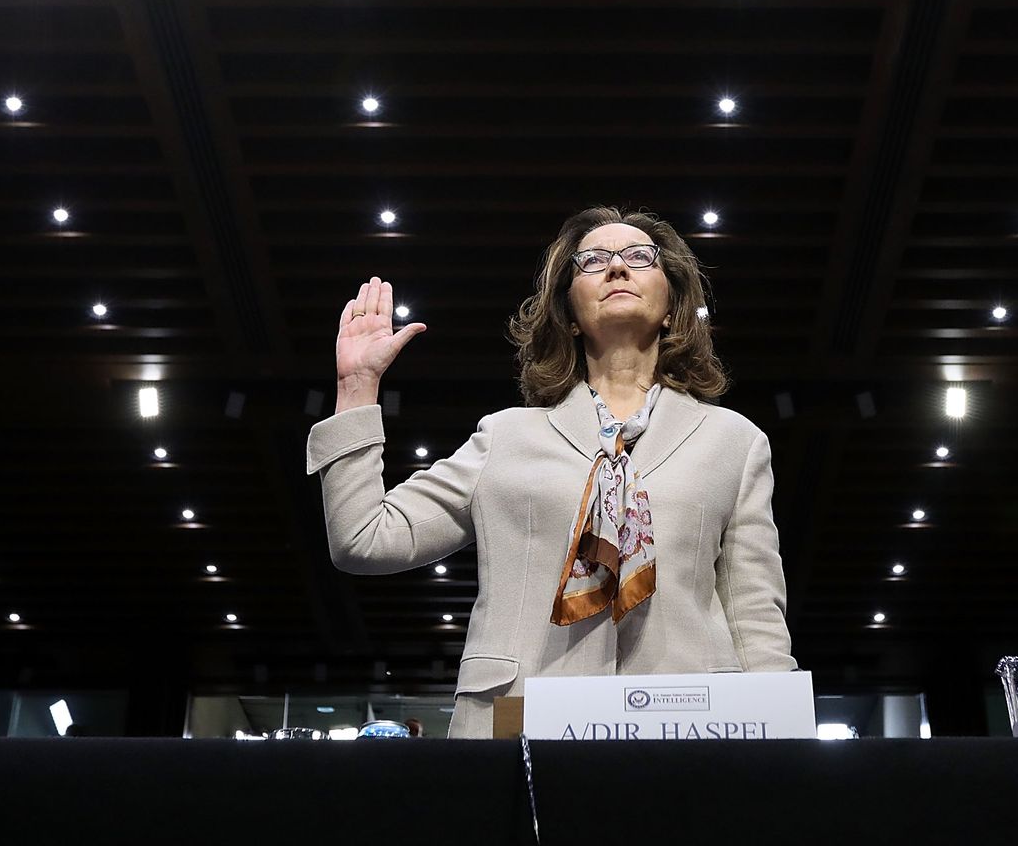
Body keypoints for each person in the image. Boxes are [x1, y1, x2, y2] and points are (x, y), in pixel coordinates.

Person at [305, 206, 796, 739]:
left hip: (690, 733)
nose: (616, 268)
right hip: (518, 725)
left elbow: (754, 616)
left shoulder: (735, 441)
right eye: (593, 261)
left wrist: (784, 743)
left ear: (674, 305)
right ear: (567, 311)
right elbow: (363, 539)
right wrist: (357, 387)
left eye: (638, 257)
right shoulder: (504, 437)